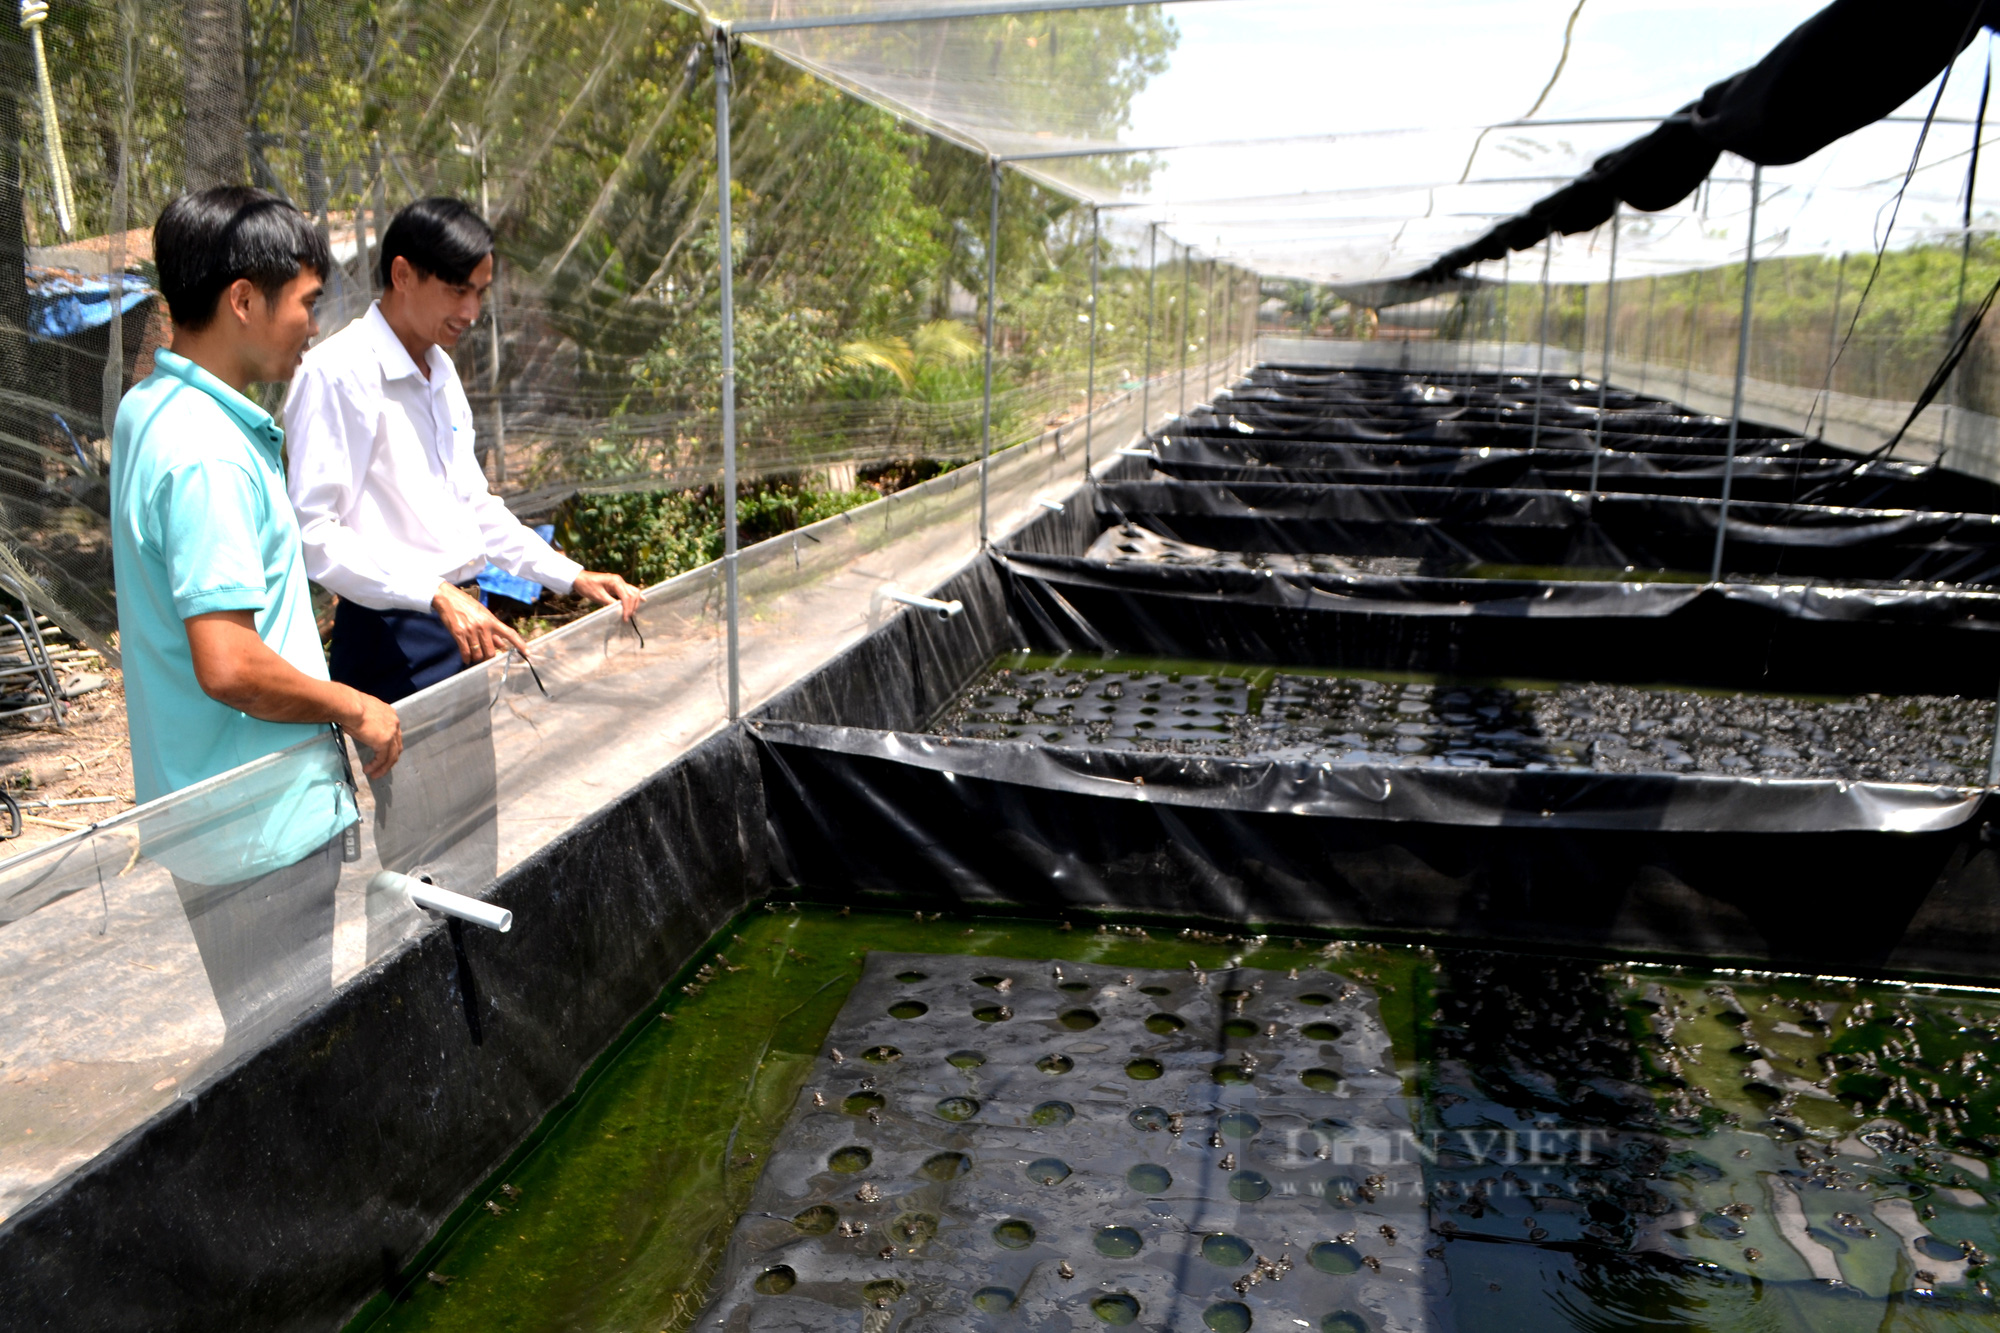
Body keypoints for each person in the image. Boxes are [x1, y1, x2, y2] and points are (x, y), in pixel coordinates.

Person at [110, 186, 404, 1044]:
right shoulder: (208, 455)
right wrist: (353, 705)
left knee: (263, 1043)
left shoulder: (148, 412)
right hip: (262, 828)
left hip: (204, 812)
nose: (313, 325)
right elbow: (230, 663)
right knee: (286, 1056)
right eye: (307, 302)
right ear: (244, 299)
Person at [283, 196, 641, 704]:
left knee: (475, 784)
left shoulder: (439, 371)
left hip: (463, 624)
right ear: (403, 274)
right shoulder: (338, 372)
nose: (471, 312)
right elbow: (315, 534)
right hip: (393, 640)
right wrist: (432, 592)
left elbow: (473, 507)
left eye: (479, 293)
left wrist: (571, 575)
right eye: (457, 291)